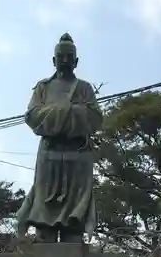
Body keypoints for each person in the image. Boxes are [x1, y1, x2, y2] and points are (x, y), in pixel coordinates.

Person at [17, 33, 103, 243]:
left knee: (73, 226)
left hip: (77, 155)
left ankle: (73, 238)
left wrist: (56, 115)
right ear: (54, 60)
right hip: (49, 154)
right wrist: (70, 112)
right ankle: (44, 236)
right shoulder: (43, 88)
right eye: (61, 56)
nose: (65, 60)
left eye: (69, 56)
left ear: (76, 61)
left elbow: (94, 118)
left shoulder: (84, 88)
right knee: (45, 212)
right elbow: (33, 117)